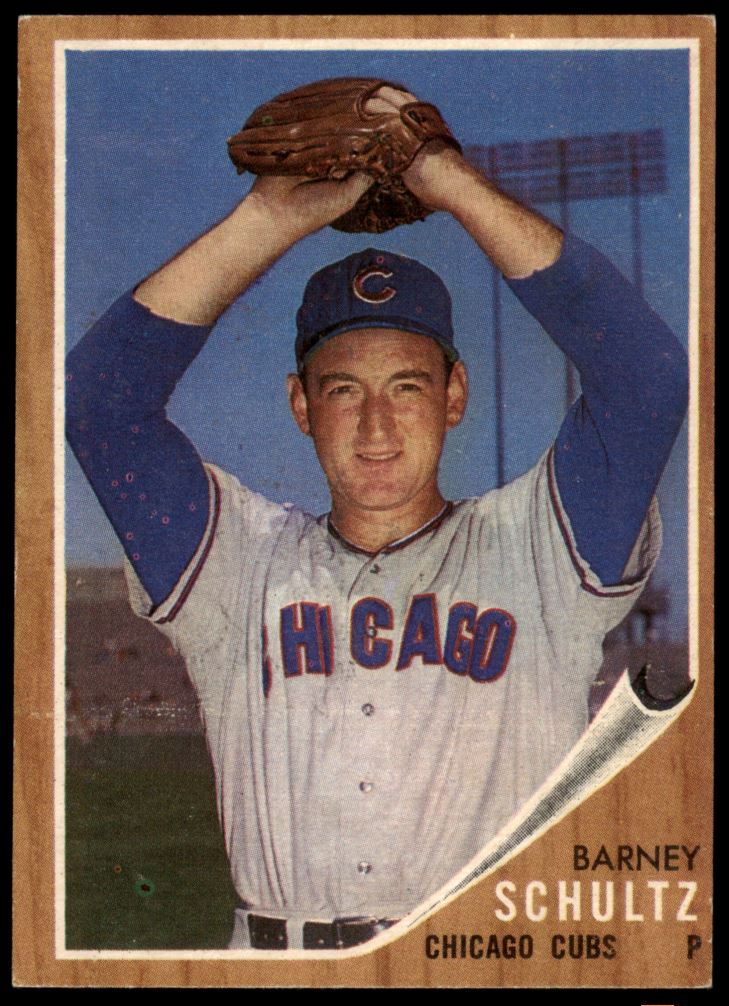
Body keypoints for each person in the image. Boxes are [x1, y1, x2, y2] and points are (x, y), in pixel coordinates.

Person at [65, 86, 688, 950]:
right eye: (342, 391)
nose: (376, 426)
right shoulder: (236, 564)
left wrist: (447, 181)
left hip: (476, 967)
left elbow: (646, 379)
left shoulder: (540, 547)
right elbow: (98, 406)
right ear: (300, 406)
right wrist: (269, 218)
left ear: (453, 395)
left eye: (406, 387)